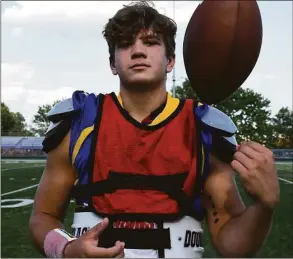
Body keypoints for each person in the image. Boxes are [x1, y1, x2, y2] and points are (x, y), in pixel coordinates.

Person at [29, 1, 280, 258]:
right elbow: (43, 216)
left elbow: (232, 245)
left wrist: (264, 207)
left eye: (150, 43)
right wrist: (66, 249)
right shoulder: (81, 121)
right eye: (125, 44)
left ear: (170, 61)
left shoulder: (202, 128)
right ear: (113, 64)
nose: (138, 51)